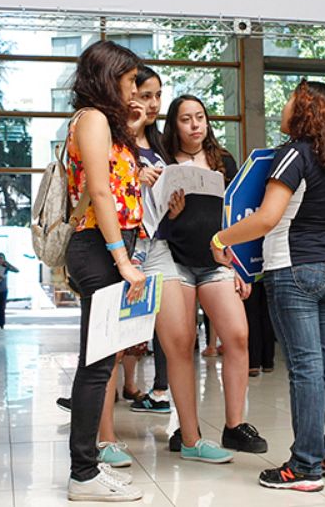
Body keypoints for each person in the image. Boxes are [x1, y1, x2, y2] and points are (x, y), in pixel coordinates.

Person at [211, 81, 325, 491]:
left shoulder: (293, 154)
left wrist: (221, 238)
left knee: (305, 368)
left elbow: (267, 217)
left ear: (306, 110)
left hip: (294, 268)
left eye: (291, 101)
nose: (284, 106)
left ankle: (304, 466)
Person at [161, 94, 267, 457]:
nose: (195, 125)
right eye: (186, 119)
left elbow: (237, 216)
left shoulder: (223, 161)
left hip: (215, 260)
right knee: (181, 344)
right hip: (173, 261)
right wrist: (172, 214)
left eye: (200, 117)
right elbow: (152, 221)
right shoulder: (163, 162)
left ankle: (235, 426)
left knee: (237, 335)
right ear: (174, 125)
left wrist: (240, 265)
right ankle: (187, 429)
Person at [64, 41, 146, 502]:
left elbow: (117, 180)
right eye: (131, 80)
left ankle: (87, 467)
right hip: (99, 248)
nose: (135, 89)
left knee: (101, 361)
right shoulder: (92, 118)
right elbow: (99, 192)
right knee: (96, 365)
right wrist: (122, 260)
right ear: (109, 76)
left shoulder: (104, 122)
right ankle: (82, 474)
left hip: (106, 247)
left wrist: (131, 128)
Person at [124, 64, 174, 416]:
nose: (154, 103)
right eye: (146, 95)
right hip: (128, 243)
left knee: (165, 321)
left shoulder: (158, 143)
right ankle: (102, 398)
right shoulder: (119, 140)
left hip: (158, 240)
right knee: (122, 321)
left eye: (158, 95)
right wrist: (135, 177)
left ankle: (157, 389)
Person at [0, 253, 18, 330]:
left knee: (2, 308)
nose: (0, 260)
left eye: (2, 258)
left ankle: (2, 324)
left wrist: (7, 264)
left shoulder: (6, 267)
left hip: (3, 290)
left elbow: (16, 270)